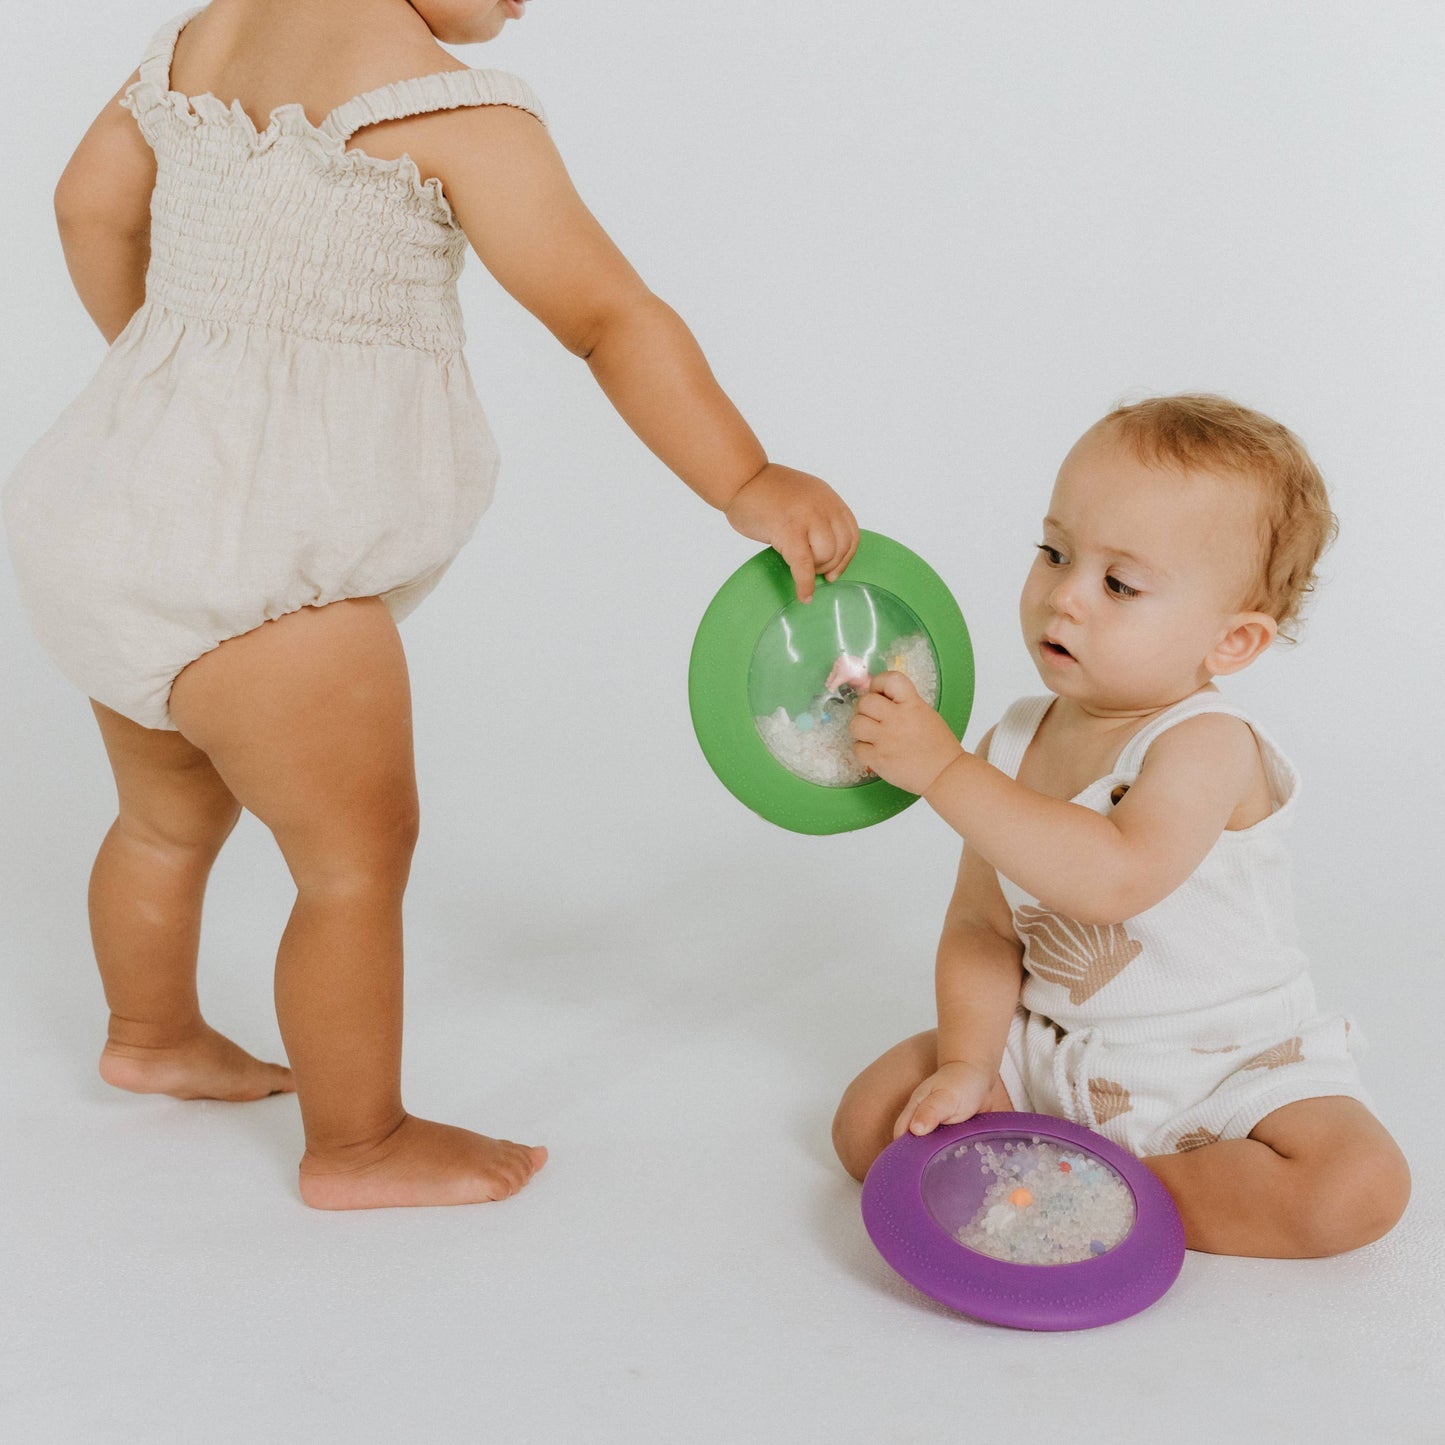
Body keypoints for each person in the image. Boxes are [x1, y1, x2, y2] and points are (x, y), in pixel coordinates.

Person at [2, 0, 858, 1210]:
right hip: (271, 561)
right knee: (353, 858)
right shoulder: (450, 110)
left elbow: (85, 206)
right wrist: (744, 475)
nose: (528, 5)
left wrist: (171, 383)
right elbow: (606, 318)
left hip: (106, 503)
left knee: (162, 820)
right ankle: (358, 1144)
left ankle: (150, 1032)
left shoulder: (199, 42)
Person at [831, 394, 1409, 1257]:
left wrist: (945, 771)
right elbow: (983, 924)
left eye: (1117, 583)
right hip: (1057, 1052)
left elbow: (1114, 877)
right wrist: (968, 1060)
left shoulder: (1206, 743)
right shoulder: (1015, 739)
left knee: (1355, 1188)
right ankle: (1055, 1150)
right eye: (1053, 551)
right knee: (864, 1119)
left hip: (1222, 1063)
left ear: (1233, 642)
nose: (1063, 597)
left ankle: (1126, 1192)